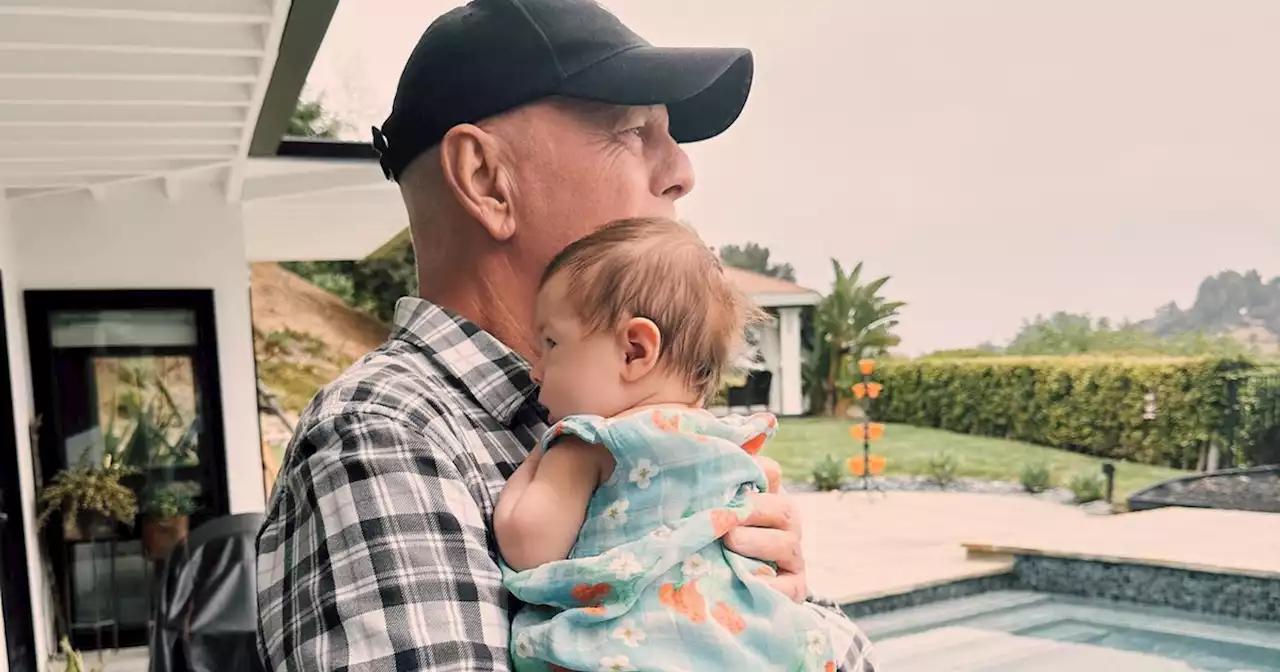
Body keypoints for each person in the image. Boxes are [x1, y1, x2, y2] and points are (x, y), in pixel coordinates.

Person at [255, 0, 878, 670]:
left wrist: (770, 609)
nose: (682, 171)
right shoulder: (383, 435)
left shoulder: (635, 396)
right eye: (634, 130)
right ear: (487, 180)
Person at [495, 217, 852, 671]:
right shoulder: (731, 442)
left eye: (550, 343)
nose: (535, 369)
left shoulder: (594, 441)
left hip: (633, 653)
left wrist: (541, 454)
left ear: (635, 351)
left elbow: (528, 544)